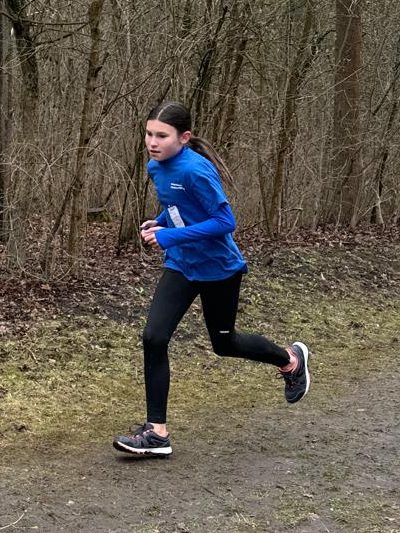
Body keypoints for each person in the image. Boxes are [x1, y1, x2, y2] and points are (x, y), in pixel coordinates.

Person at [113, 101, 310, 457]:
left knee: (224, 343)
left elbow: (224, 222)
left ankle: (290, 360)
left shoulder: (195, 170)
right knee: (154, 336)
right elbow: (180, 207)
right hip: (182, 265)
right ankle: (157, 433)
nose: (152, 142)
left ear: (184, 137)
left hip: (218, 269)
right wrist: (161, 222)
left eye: (162, 136)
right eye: (149, 134)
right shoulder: (155, 167)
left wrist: (170, 236)